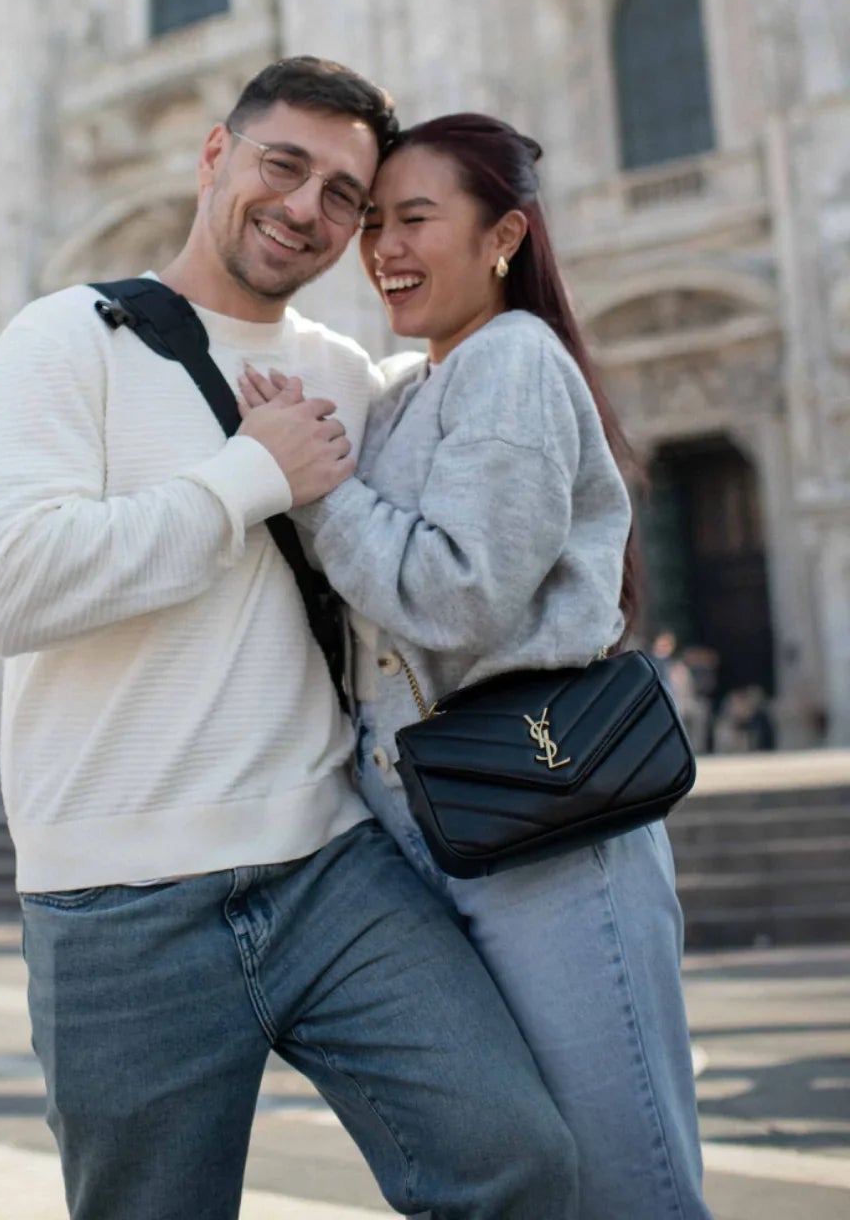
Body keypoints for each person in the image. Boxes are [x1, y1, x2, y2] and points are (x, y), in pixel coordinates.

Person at [0, 61, 577, 1220]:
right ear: (215, 156)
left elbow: (453, 547)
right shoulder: (66, 338)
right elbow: (8, 589)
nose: (304, 208)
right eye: (281, 165)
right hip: (115, 900)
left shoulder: (349, 376)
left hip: (330, 867)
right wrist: (248, 475)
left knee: (517, 1161)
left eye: (343, 196)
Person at [240, 113, 710, 1220]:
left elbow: (458, 595)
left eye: (416, 220)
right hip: (444, 821)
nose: (384, 250)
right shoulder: (413, 388)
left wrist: (318, 491)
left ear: (502, 237)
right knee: (527, 1171)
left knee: (626, 1184)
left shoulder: (511, 360)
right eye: (373, 224)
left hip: (547, 829)